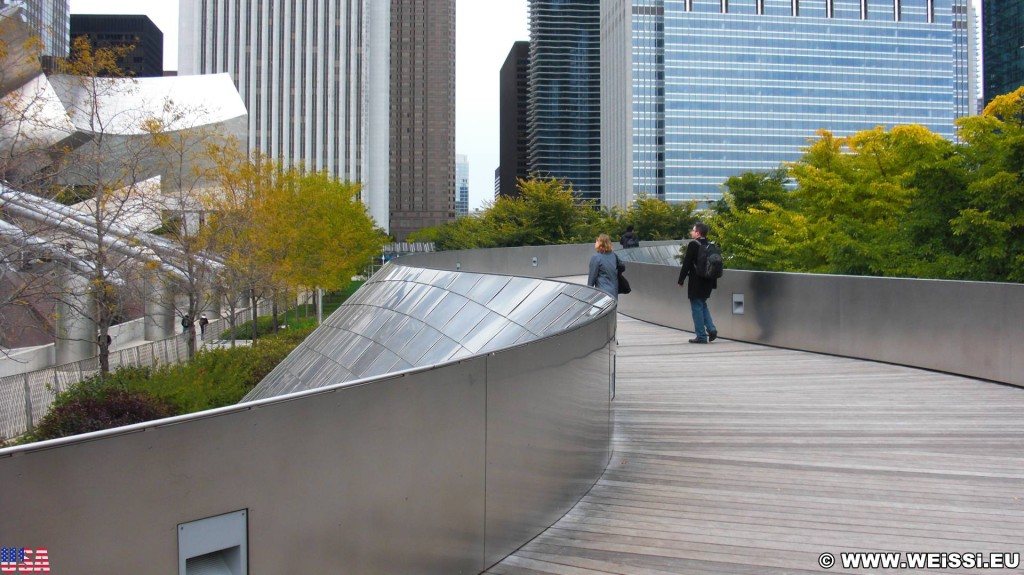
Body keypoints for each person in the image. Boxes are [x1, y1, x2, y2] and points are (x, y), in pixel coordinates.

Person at [678, 221, 718, 343]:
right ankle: (711, 329)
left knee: (696, 307)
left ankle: (701, 336)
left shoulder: (693, 245)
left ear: (697, 233)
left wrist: (681, 279)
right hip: (708, 281)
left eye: (693, 230)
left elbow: (687, 263)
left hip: (696, 280)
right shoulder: (710, 245)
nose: (691, 232)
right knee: (702, 304)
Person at [588, 233, 621, 298]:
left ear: (601, 244)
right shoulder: (613, 255)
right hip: (614, 291)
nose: (595, 243)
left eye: (597, 241)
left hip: (602, 292)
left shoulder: (596, 257)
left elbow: (592, 277)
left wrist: (588, 292)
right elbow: (621, 266)